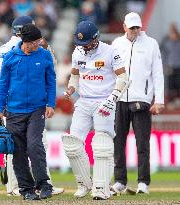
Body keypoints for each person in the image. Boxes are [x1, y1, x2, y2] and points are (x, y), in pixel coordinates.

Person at [0, 15, 64, 196]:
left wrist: (50, 103)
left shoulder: (45, 55)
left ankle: (44, 185)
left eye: (39, 41)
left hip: (37, 108)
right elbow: (3, 85)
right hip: (14, 111)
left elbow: (51, 81)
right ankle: (26, 189)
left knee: (34, 145)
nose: (37, 45)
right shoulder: (9, 57)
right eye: (34, 42)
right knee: (18, 150)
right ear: (24, 41)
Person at [62, 20, 130, 200]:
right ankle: (85, 184)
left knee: (102, 144)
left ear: (96, 39)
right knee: (72, 143)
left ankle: (102, 187)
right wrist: (70, 89)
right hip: (84, 101)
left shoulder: (110, 51)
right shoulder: (78, 51)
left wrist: (112, 98)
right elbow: (75, 76)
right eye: (80, 44)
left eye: (87, 44)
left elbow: (123, 77)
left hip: (104, 101)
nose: (84, 48)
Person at [111, 12, 164, 194]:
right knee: (118, 142)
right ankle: (119, 180)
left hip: (142, 99)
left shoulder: (151, 44)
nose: (135, 30)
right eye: (131, 27)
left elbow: (157, 73)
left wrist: (159, 100)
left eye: (137, 27)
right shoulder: (117, 44)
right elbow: (112, 71)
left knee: (142, 143)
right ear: (124, 27)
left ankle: (143, 182)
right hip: (119, 99)